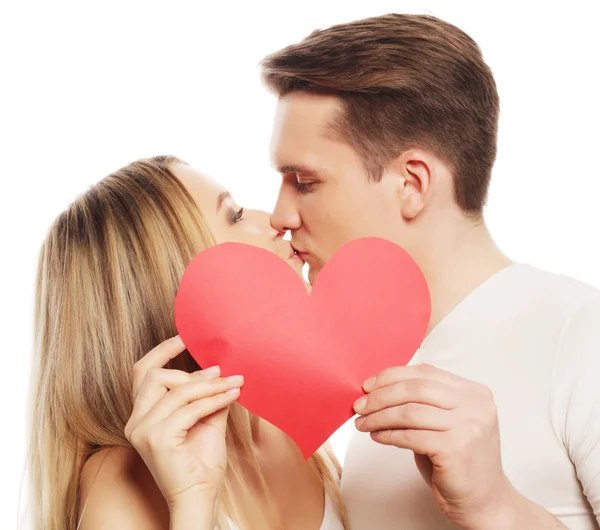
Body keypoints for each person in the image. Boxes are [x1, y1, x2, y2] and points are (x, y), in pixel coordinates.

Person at [260, 13, 600, 530]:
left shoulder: (581, 335)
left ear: (412, 184)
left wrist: (496, 507)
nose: (281, 217)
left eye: (305, 182)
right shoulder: (376, 374)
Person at [26, 156, 347, 530]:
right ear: (181, 282)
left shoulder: (284, 426)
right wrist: (192, 503)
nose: (272, 220)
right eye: (235, 216)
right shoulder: (118, 490)